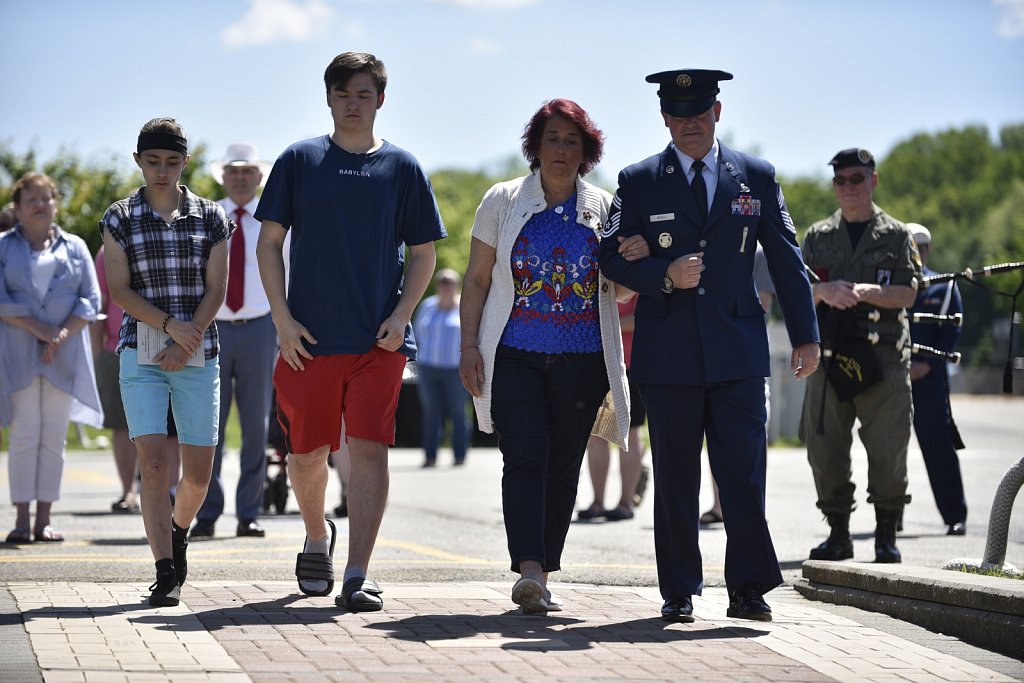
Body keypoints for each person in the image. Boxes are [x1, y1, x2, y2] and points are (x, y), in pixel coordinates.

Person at [598, 69, 820, 624]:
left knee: (743, 473)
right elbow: (610, 256)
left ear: (716, 114)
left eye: (699, 113)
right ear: (665, 119)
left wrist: (806, 335)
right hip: (669, 351)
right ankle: (678, 589)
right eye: (679, 115)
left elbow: (789, 262)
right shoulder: (639, 179)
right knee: (675, 475)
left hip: (737, 350)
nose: (690, 124)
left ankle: (749, 587)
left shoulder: (756, 176)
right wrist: (663, 273)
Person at [255, 52, 446, 613]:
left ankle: (359, 573)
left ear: (380, 99)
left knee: (368, 450)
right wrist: (282, 319)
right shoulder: (299, 160)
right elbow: (268, 244)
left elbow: (424, 253)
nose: (353, 103)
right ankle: (318, 536)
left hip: (377, 342)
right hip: (306, 340)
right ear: (330, 99)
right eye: (343, 94)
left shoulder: (403, 167)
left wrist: (403, 313)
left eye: (364, 94)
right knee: (306, 453)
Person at [460, 98, 648, 614]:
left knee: (564, 465)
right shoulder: (502, 200)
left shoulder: (604, 208)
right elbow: (476, 280)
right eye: (552, 139)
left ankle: (545, 570)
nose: (561, 149)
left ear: (586, 151)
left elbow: (624, 295)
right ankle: (530, 571)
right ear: (535, 148)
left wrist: (635, 261)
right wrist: (468, 344)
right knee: (524, 457)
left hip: (584, 360)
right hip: (515, 353)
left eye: (572, 140)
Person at [101, 117, 230, 607]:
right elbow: (118, 289)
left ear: (185, 162)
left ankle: (179, 530)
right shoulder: (119, 216)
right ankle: (164, 570)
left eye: (171, 162)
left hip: (200, 353)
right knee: (153, 465)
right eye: (152, 162)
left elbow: (216, 288)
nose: (162, 171)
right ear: (138, 161)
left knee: (197, 475)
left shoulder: (212, 216)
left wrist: (187, 338)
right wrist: (170, 327)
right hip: (141, 353)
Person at [801, 147, 921, 565]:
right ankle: (838, 534)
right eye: (841, 180)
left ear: (873, 180)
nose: (848, 187)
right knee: (824, 447)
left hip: (883, 359)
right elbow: (796, 289)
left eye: (857, 178)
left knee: (889, 449)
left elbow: (909, 291)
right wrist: (822, 291)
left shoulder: (896, 235)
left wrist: (870, 292)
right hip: (830, 358)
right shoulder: (817, 236)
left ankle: (886, 535)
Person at [1, 172, 103, 544]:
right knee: (25, 434)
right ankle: (21, 519)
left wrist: (60, 334)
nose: (41, 205)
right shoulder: (2, 246)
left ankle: (45, 519)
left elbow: (91, 299)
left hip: (64, 353)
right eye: (32, 199)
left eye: (47, 198)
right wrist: (40, 330)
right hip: (17, 355)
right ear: (17, 207)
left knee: (54, 437)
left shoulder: (75, 246)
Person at [190, 143, 277, 540]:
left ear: (259, 177)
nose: (240, 178)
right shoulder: (209, 217)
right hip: (216, 326)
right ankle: (207, 510)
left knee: (257, 424)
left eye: (247, 171)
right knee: (211, 423)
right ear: (222, 177)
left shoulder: (275, 219)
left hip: (261, 326)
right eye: (233, 171)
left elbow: (288, 274)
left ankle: (249, 511)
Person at [699, 244, 777, 526]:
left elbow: (764, 302)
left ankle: (750, 506)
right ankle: (720, 504)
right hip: (712, 353)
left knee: (748, 440)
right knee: (713, 436)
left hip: (747, 355)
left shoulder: (758, 250)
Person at [907, 223, 967, 536]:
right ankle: (890, 515)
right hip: (893, 378)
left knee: (939, 446)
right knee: (888, 448)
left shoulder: (943, 287)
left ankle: (955, 514)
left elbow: (952, 330)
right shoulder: (892, 286)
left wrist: (927, 364)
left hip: (930, 380)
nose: (917, 253)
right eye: (911, 247)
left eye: (922, 247)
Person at [578, 295, 646, 522]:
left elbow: (641, 319)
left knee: (630, 433)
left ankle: (626, 502)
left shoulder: (639, 269)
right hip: (598, 363)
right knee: (596, 435)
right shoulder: (600, 268)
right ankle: (597, 502)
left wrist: (603, 320)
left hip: (632, 364)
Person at [92, 246, 139, 513]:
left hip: (162, 348)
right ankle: (128, 491)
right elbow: (99, 303)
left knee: (167, 430)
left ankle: (167, 491)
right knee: (121, 426)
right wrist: (98, 355)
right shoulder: (107, 251)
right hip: (115, 350)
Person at [414, 268, 471, 468]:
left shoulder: (464, 307)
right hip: (429, 366)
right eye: (442, 282)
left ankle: (459, 455)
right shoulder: (427, 306)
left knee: (458, 411)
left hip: (455, 368)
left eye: (450, 282)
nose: (446, 286)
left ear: (456, 286)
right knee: (431, 412)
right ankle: (430, 456)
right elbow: (417, 332)